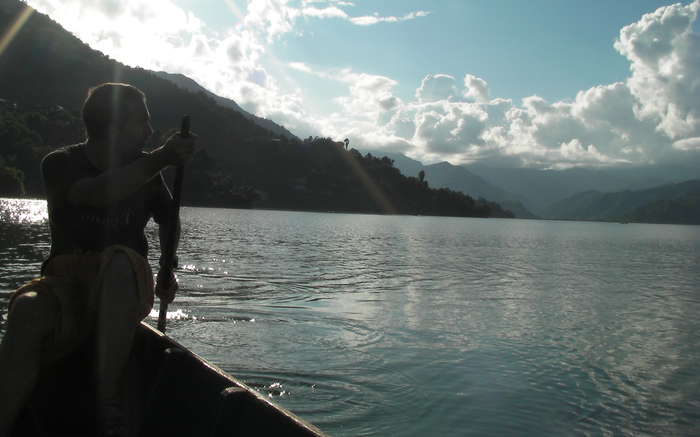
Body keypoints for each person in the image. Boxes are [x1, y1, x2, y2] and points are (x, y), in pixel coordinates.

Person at [0, 82, 197, 436]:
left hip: (123, 286)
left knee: (119, 262)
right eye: (143, 121)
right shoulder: (60, 164)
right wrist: (163, 158)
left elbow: (169, 220)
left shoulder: (146, 170)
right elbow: (93, 194)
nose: (150, 131)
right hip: (67, 287)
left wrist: (168, 267)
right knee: (27, 308)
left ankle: (106, 402)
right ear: (115, 124)